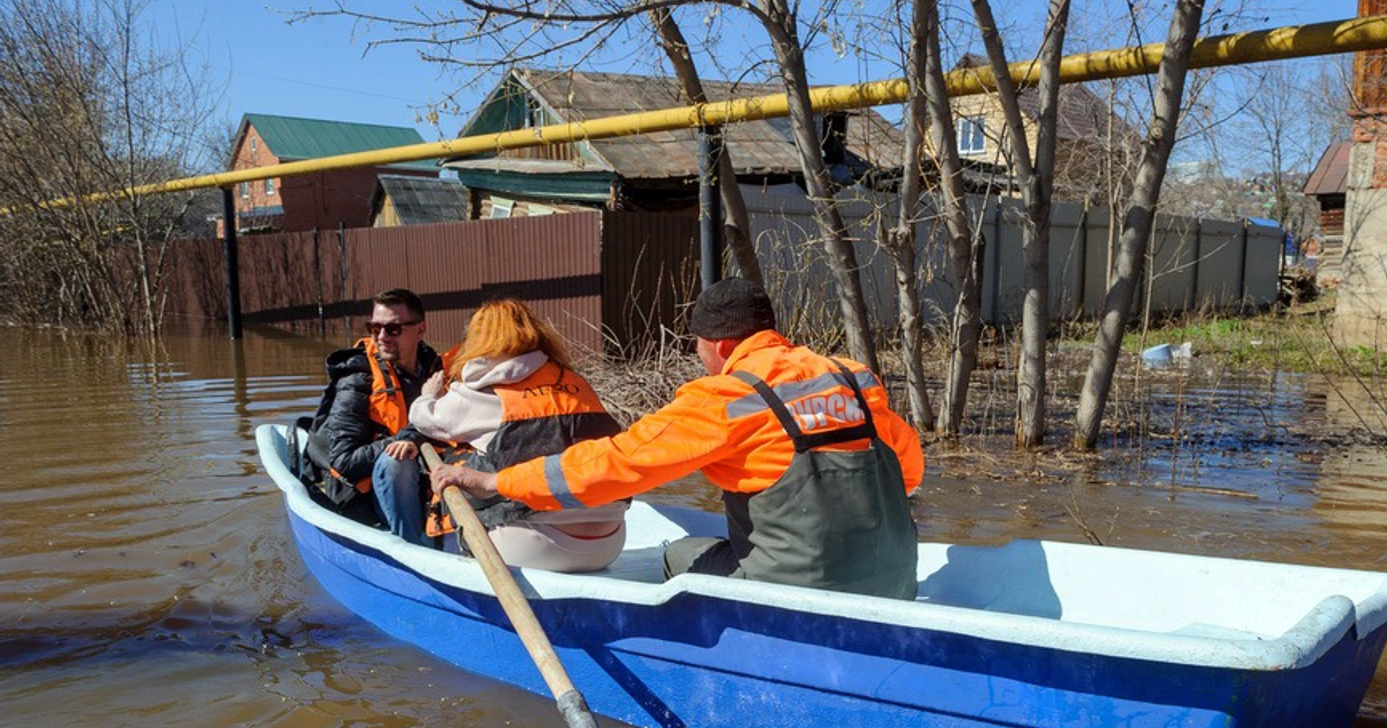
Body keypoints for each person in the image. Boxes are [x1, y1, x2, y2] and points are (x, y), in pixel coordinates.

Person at [431, 277, 924, 599]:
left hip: (797, 587)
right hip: (893, 578)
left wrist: (498, 483)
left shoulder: (728, 396)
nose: (701, 357)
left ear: (722, 345)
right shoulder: (853, 378)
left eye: (700, 348)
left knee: (678, 555)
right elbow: (909, 471)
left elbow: (616, 464)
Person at [408, 298, 628, 572]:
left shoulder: (483, 389)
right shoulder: (574, 381)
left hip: (534, 547)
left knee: (458, 484)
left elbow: (426, 421)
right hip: (609, 544)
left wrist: (427, 396)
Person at [306, 287, 442, 543]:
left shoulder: (436, 370)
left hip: (424, 483)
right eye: (374, 328)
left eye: (393, 329)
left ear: (420, 330)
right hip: (369, 496)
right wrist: (410, 438)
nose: (382, 337)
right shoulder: (357, 379)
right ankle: (412, 548)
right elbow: (344, 461)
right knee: (396, 460)